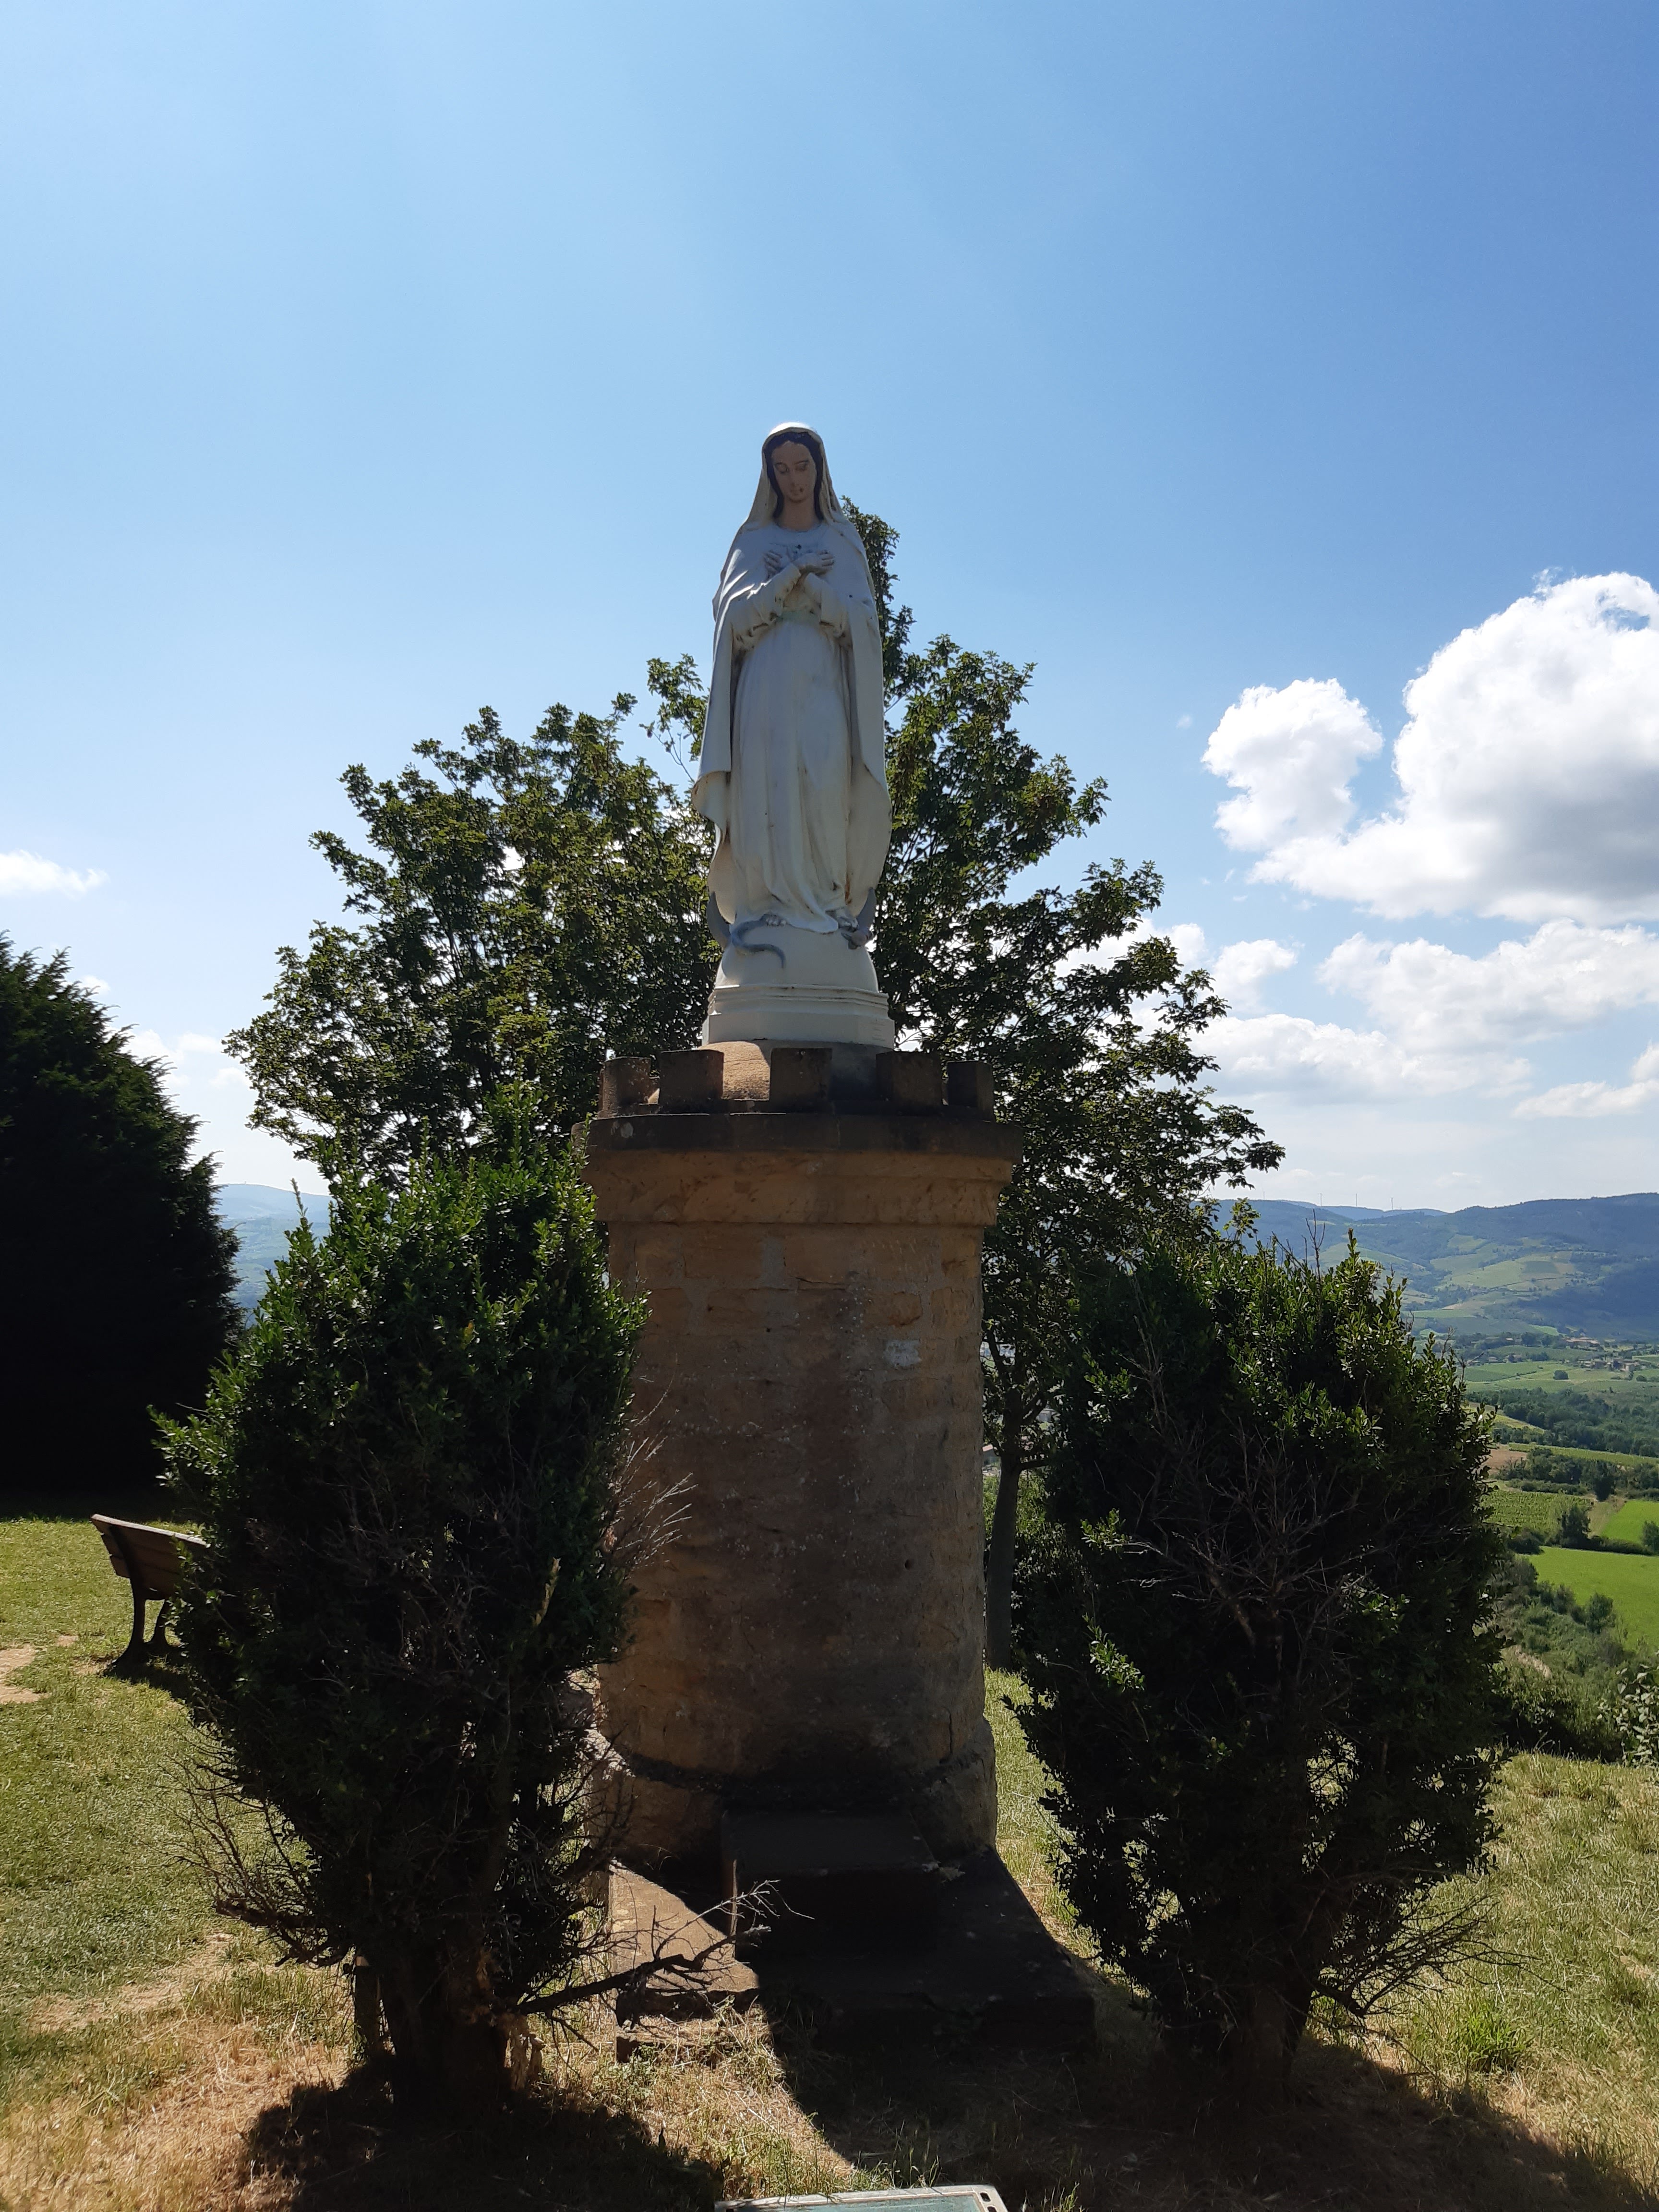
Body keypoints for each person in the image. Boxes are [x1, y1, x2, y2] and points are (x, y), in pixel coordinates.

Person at [693, 424, 890, 961]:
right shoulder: (753, 542)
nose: (795, 480)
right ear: (770, 476)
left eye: (803, 467)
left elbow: (864, 626)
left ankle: (827, 910)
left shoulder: (840, 542)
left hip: (823, 685)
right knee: (768, 789)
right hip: (765, 688)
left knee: (824, 787)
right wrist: (788, 582)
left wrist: (813, 589)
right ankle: (767, 908)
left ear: (819, 470)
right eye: (783, 470)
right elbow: (732, 621)